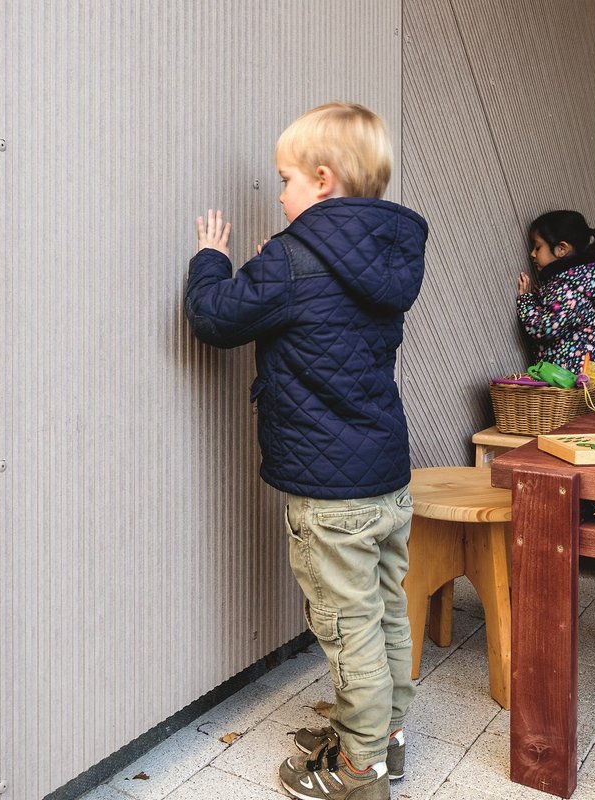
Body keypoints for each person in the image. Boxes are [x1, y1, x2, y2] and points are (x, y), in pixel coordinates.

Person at [185, 102, 427, 800]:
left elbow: (215, 318)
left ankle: (357, 774)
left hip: (331, 495)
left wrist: (211, 258)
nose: (280, 192)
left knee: (347, 629)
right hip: (385, 476)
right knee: (384, 611)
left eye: (284, 179)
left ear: (322, 181)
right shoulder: (390, 258)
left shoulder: (292, 259)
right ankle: (385, 742)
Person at [517, 210, 595, 404]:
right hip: (588, 384)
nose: (532, 254)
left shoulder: (569, 288)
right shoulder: (582, 282)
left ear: (561, 249)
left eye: (538, 247)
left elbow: (543, 329)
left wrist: (526, 300)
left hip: (574, 385)